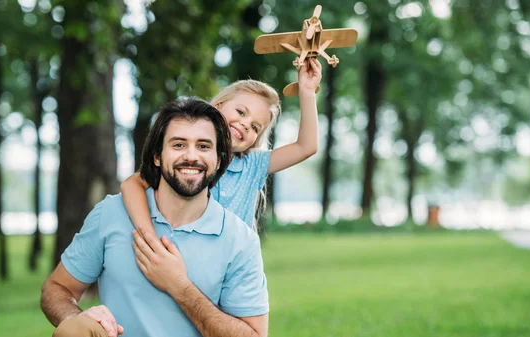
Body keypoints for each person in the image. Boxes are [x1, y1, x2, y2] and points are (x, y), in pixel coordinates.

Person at [41, 98, 269, 337]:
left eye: (203, 146)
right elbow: (57, 288)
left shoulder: (239, 240)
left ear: (219, 160)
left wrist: (179, 286)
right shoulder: (111, 214)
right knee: (72, 333)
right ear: (157, 157)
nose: (191, 156)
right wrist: (76, 317)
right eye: (179, 145)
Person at [121, 58, 322, 232]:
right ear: (217, 107)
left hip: (234, 269)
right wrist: (146, 232)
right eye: (241, 112)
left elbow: (306, 146)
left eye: (254, 127)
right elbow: (132, 184)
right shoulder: (189, 159)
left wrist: (307, 91)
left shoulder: (252, 166)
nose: (244, 124)